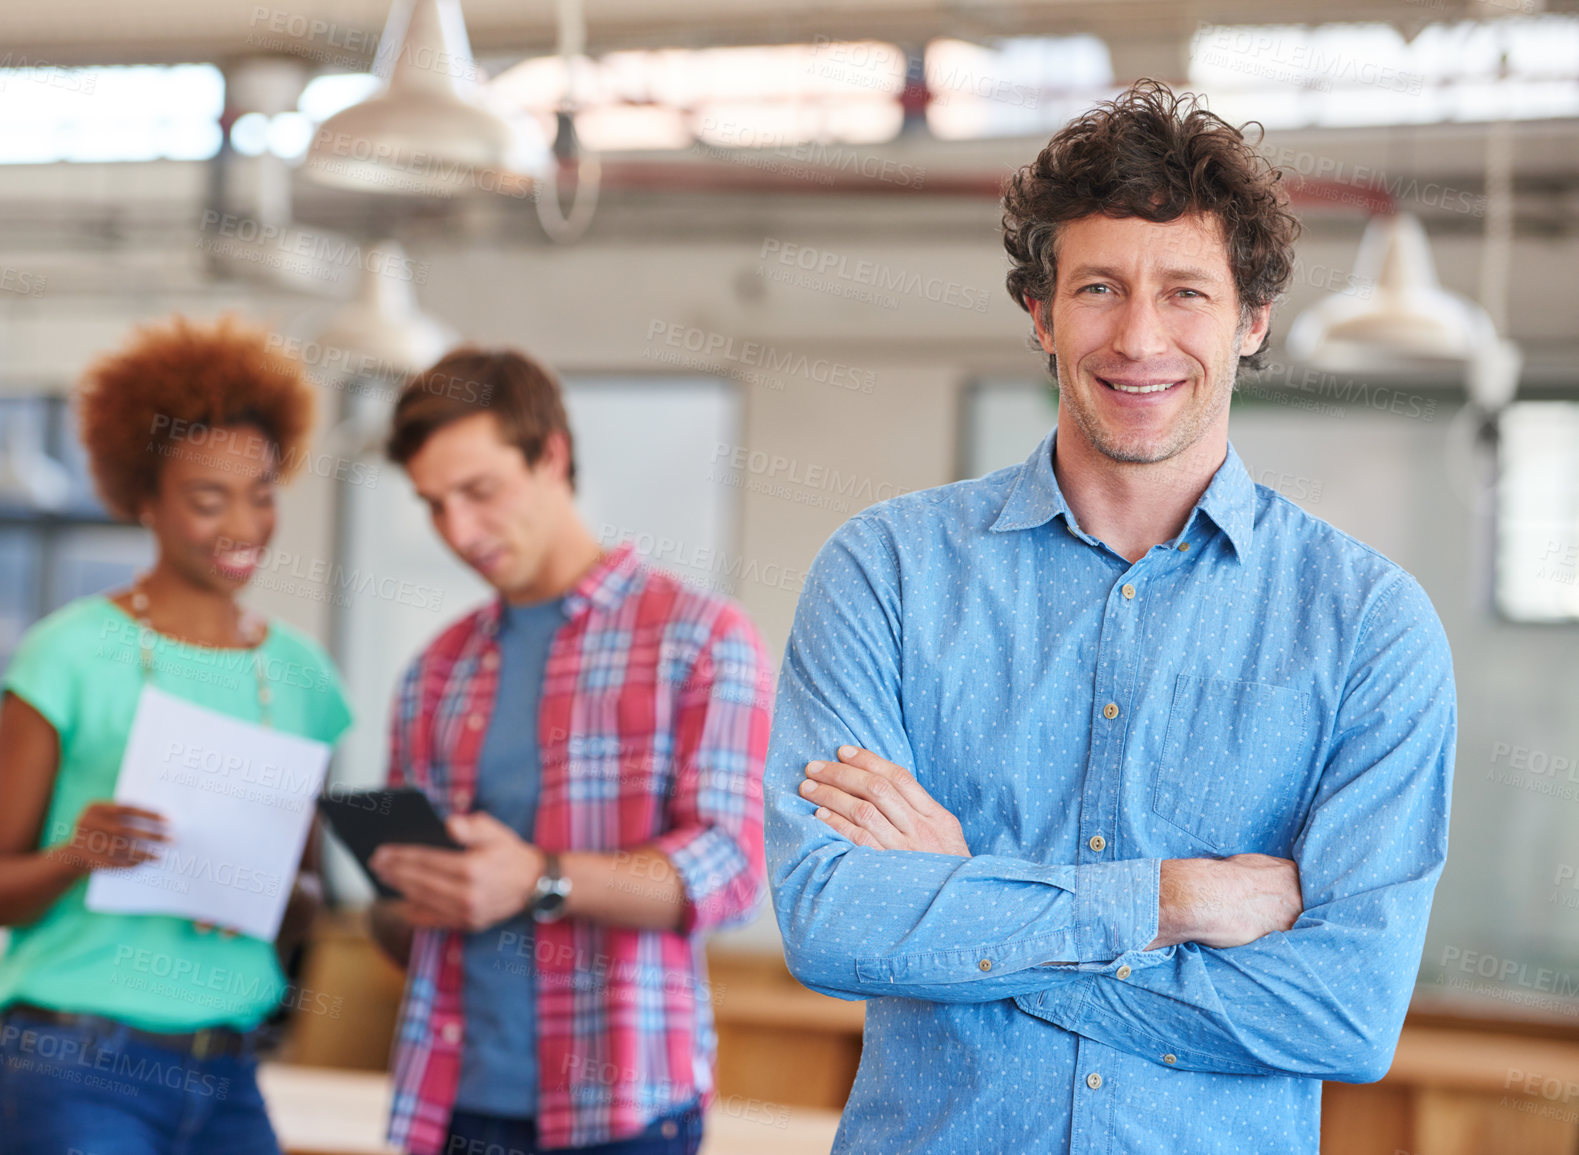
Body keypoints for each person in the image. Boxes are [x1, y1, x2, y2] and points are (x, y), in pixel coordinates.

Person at [764, 79, 1456, 1154]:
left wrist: (964, 906)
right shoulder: (886, 573)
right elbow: (832, 923)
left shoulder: (1368, 625)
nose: (1139, 338)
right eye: (1098, 287)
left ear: (1252, 320)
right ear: (1041, 311)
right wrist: (1168, 901)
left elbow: (1344, 1014)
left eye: (1186, 292)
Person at [366, 347, 772, 1155]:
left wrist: (537, 878)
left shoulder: (697, 639)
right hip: (451, 1103)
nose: (458, 530)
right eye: (433, 505)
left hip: (621, 1112)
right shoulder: (435, 670)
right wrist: (413, 897)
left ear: (550, 454)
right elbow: (401, 924)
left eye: (478, 491)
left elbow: (731, 871)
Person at [0, 315, 354, 1155]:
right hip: (74, 1063)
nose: (242, 525)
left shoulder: (301, 676)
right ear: (143, 498)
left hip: (227, 1070)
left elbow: (309, 901)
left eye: (261, 492)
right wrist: (78, 852)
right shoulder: (67, 651)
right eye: (207, 499)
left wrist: (250, 890)